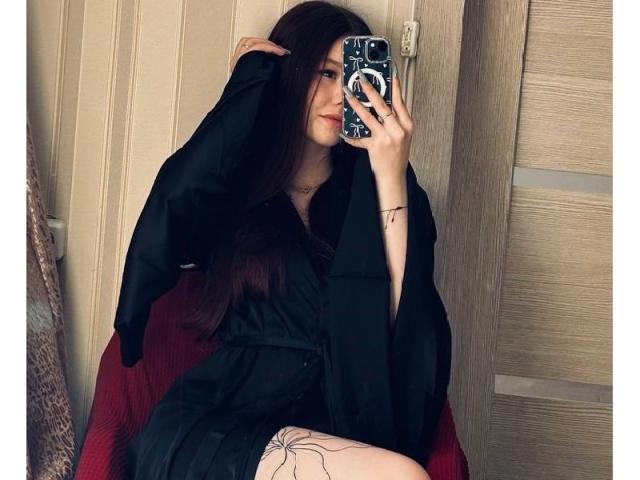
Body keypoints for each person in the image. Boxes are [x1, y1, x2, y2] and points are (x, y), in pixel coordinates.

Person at [122, 2, 451, 479]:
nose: (341, 96)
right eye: (326, 73)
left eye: (353, 78)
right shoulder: (236, 187)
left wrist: (390, 173)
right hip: (218, 425)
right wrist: (246, 89)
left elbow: (408, 316)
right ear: (291, 74)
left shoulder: (372, 193)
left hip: (327, 424)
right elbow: (173, 203)